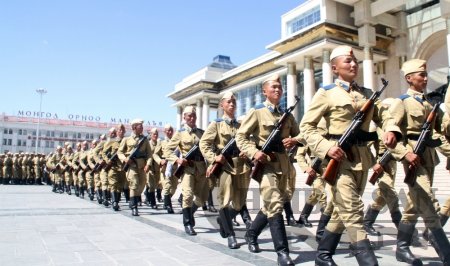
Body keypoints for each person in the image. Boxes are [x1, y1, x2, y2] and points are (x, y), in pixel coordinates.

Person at [300, 45, 400, 266]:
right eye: (347, 61)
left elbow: (384, 115)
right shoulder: (326, 93)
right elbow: (306, 127)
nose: (353, 64)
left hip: (362, 161)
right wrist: (326, 147)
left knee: (340, 211)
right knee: (353, 211)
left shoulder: (366, 94)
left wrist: (392, 129)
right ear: (335, 68)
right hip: (339, 161)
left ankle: (322, 255)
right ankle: (367, 260)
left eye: (355, 60)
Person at [388, 58, 450, 265]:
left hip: (429, 158)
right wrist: (405, 154)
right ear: (409, 78)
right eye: (421, 75)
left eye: (425, 74)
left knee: (415, 204)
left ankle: (402, 248)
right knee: (427, 202)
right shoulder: (402, 102)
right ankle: (445, 251)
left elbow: (442, 130)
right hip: (413, 159)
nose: (425, 78)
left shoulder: (429, 103)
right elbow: (390, 134)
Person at [236, 74, 299, 265]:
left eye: (279, 87)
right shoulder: (256, 112)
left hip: (284, 165)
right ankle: (283, 252)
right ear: (264, 91)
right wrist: (254, 152)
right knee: (275, 204)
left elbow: (300, 134)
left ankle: (252, 233)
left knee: (271, 204)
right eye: (273, 87)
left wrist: (294, 140)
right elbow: (241, 137)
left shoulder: (287, 115)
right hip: (266, 165)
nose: (278, 90)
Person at [200, 91, 252, 249]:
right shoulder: (215, 124)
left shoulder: (241, 125)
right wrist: (213, 157)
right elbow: (204, 143)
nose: (232, 104)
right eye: (228, 102)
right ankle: (231, 235)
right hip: (225, 166)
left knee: (239, 202)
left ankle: (223, 220)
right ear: (222, 105)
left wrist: (247, 150)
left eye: (234, 102)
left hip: (242, 166)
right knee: (224, 200)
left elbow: (248, 142)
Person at [164, 106, 207, 236]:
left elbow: (208, 148)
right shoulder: (180, 133)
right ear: (184, 117)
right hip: (187, 168)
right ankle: (187, 223)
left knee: (202, 198)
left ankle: (191, 211)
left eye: (193, 116)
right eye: (189, 116)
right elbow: (167, 151)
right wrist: (177, 160)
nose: (192, 118)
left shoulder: (202, 133)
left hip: (201, 168)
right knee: (187, 195)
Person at [118, 119, 152, 216]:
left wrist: (148, 164)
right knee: (134, 184)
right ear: (134, 127)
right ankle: (134, 206)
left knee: (142, 184)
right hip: (131, 165)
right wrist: (125, 159)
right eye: (139, 126)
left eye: (142, 126)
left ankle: (134, 199)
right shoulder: (126, 140)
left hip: (142, 166)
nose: (142, 127)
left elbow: (149, 154)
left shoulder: (145, 140)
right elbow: (119, 152)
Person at [102, 125, 126, 211]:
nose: (121, 131)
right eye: (120, 130)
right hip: (113, 166)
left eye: (123, 130)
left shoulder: (126, 141)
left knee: (120, 185)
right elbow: (104, 153)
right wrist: (107, 160)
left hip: (122, 167)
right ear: (117, 132)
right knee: (113, 184)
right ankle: (115, 202)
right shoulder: (112, 141)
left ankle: (116, 201)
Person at [154, 124, 176, 214]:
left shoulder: (176, 141)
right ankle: (168, 206)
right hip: (165, 167)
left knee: (174, 188)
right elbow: (155, 154)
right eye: (168, 130)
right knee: (167, 186)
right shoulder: (161, 142)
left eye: (171, 130)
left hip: (175, 167)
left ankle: (166, 201)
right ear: (165, 132)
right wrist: (160, 161)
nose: (169, 132)